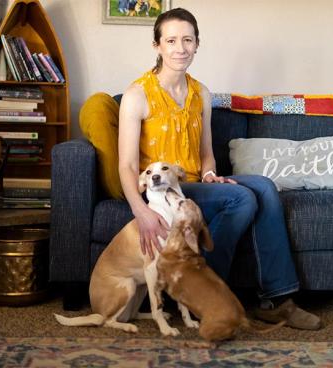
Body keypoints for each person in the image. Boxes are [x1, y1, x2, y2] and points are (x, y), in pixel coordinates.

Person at [118, 8, 321, 330]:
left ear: (197, 44)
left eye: (187, 39)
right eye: (171, 40)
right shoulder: (137, 95)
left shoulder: (201, 93)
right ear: (157, 45)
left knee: (265, 187)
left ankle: (278, 300)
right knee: (242, 199)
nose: (180, 48)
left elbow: (206, 155)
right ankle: (205, 294)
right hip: (164, 193)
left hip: (196, 184)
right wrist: (140, 212)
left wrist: (212, 175)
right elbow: (126, 165)